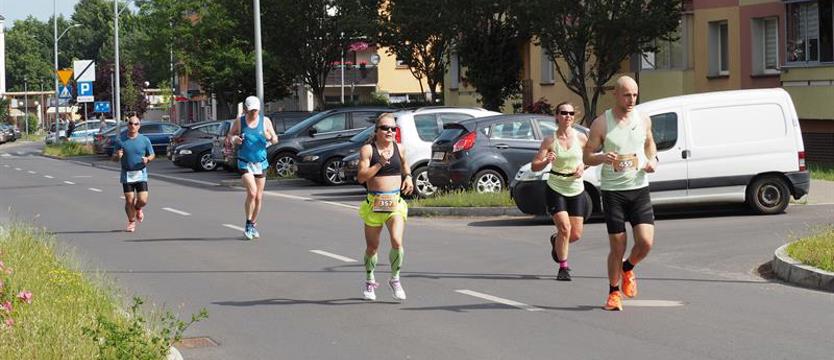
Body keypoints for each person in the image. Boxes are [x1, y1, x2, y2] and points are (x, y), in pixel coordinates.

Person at [584, 76, 658, 311]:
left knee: (645, 243)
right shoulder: (601, 123)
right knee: (618, 245)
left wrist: (652, 160)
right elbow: (587, 156)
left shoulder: (643, 119)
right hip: (613, 191)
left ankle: (628, 268)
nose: (631, 100)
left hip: (639, 187)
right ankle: (613, 293)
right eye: (627, 95)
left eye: (635, 95)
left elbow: (650, 144)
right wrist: (602, 158)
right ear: (615, 95)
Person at [356, 113, 414, 301]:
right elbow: (362, 177)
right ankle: (369, 279)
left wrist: (408, 177)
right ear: (377, 131)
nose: (390, 131)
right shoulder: (368, 150)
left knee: (397, 241)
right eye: (385, 128)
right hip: (374, 204)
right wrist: (379, 164)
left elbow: (405, 165)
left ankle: (395, 279)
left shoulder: (400, 148)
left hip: (395, 203)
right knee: (372, 248)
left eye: (393, 128)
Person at [531, 102, 588, 281]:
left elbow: (590, 158)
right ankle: (563, 267)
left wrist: (582, 166)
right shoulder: (550, 140)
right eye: (563, 113)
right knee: (565, 228)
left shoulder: (581, 138)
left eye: (571, 113)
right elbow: (534, 166)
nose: (568, 116)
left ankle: (556, 240)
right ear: (557, 116)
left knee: (576, 234)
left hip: (576, 188)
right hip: (556, 187)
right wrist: (546, 160)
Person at [226, 96, 278, 240]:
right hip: (245, 161)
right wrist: (234, 139)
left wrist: (269, 137)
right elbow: (230, 135)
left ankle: (253, 224)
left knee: (259, 197)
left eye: (256, 110)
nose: (254, 113)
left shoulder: (265, 121)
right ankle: (248, 223)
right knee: (253, 193)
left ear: (259, 109)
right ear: (246, 110)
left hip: (261, 163)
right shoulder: (240, 121)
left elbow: (275, 139)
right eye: (251, 111)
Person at [113, 112, 155, 232]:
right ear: (128, 125)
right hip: (127, 173)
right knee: (129, 199)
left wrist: (148, 159)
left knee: (143, 200)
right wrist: (117, 156)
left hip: (140, 173)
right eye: (131, 123)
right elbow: (114, 159)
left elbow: (152, 154)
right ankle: (131, 221)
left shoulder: (144, 140)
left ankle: (138, 209)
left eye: (136, 124)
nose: (133, 126)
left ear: (139, 126)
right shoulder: (120, 140)